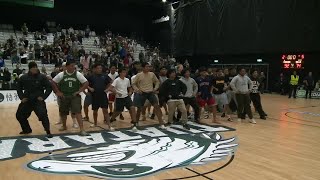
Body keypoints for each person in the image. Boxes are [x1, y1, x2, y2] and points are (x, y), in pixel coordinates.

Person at [16, 62, 53, 138]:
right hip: (27, 100)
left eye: (36, 67)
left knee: (43, 115)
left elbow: (49, 87)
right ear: (30, 69)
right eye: (34, 68)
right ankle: (27, 129)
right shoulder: (24, 77)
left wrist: (43, 97)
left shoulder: (42, 77)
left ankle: (48, 131)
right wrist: (22, 97)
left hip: (38, 100)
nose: (36, 69)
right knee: (19, 115)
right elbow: (18, 88)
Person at [52, 61, 89, 136]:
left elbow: (86, 83)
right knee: (63, 112)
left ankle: (82, 129)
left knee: (78, 112)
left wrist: (79, 91)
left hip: (74, 96)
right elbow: (53, 82)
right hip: (64, 96)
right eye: (72, 66)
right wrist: (57, 92)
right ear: (67, 66)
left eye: (74, 66)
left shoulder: (78, 74)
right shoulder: (61, 74)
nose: (73, 67)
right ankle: (64, 126)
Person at [132, 62, 165, 129]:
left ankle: (161, 123)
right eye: (147, 66)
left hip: (150, 93)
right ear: (143, 68)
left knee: (157, 107)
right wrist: (138, 90)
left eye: (149, 66)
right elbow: (133, 83)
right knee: (139, 109)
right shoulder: (139, 75)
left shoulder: (152, 74)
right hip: (142, 93)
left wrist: (155, 88)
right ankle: (135, 123)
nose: (148, 68)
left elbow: (157, 82)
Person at [87, 63, 112, 129]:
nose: (99, 69)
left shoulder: (105, 76)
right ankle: (95, 123)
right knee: (95, 111)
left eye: (100, 68)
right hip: (95, 96)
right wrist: (90, 88)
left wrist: (107, 89)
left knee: (105, 111)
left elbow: (110, 83)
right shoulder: (91, 76)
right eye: (98, 68)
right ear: (95, 69)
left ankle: (109, 125)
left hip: (103, 96)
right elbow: (85, 83)